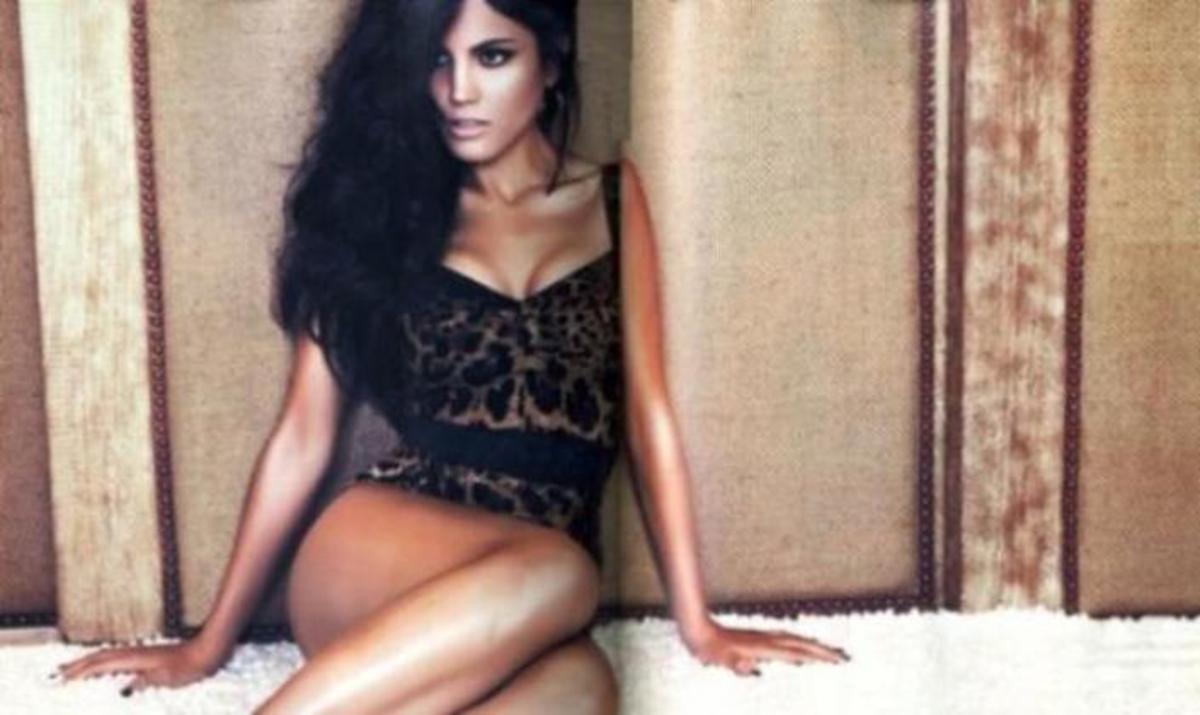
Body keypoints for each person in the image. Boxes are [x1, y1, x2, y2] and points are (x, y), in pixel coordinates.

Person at [52, 0, 850, 711]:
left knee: (581, 690)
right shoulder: (376, 208)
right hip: (379, 553)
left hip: (531, 596)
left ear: (551, 60)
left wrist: (698, 624)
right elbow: (303, 435)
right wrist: (206, 646)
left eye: (492, 56)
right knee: (564, 571)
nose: (459, 91)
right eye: (436, 59)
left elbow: (649, 416)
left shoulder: (613, 199)